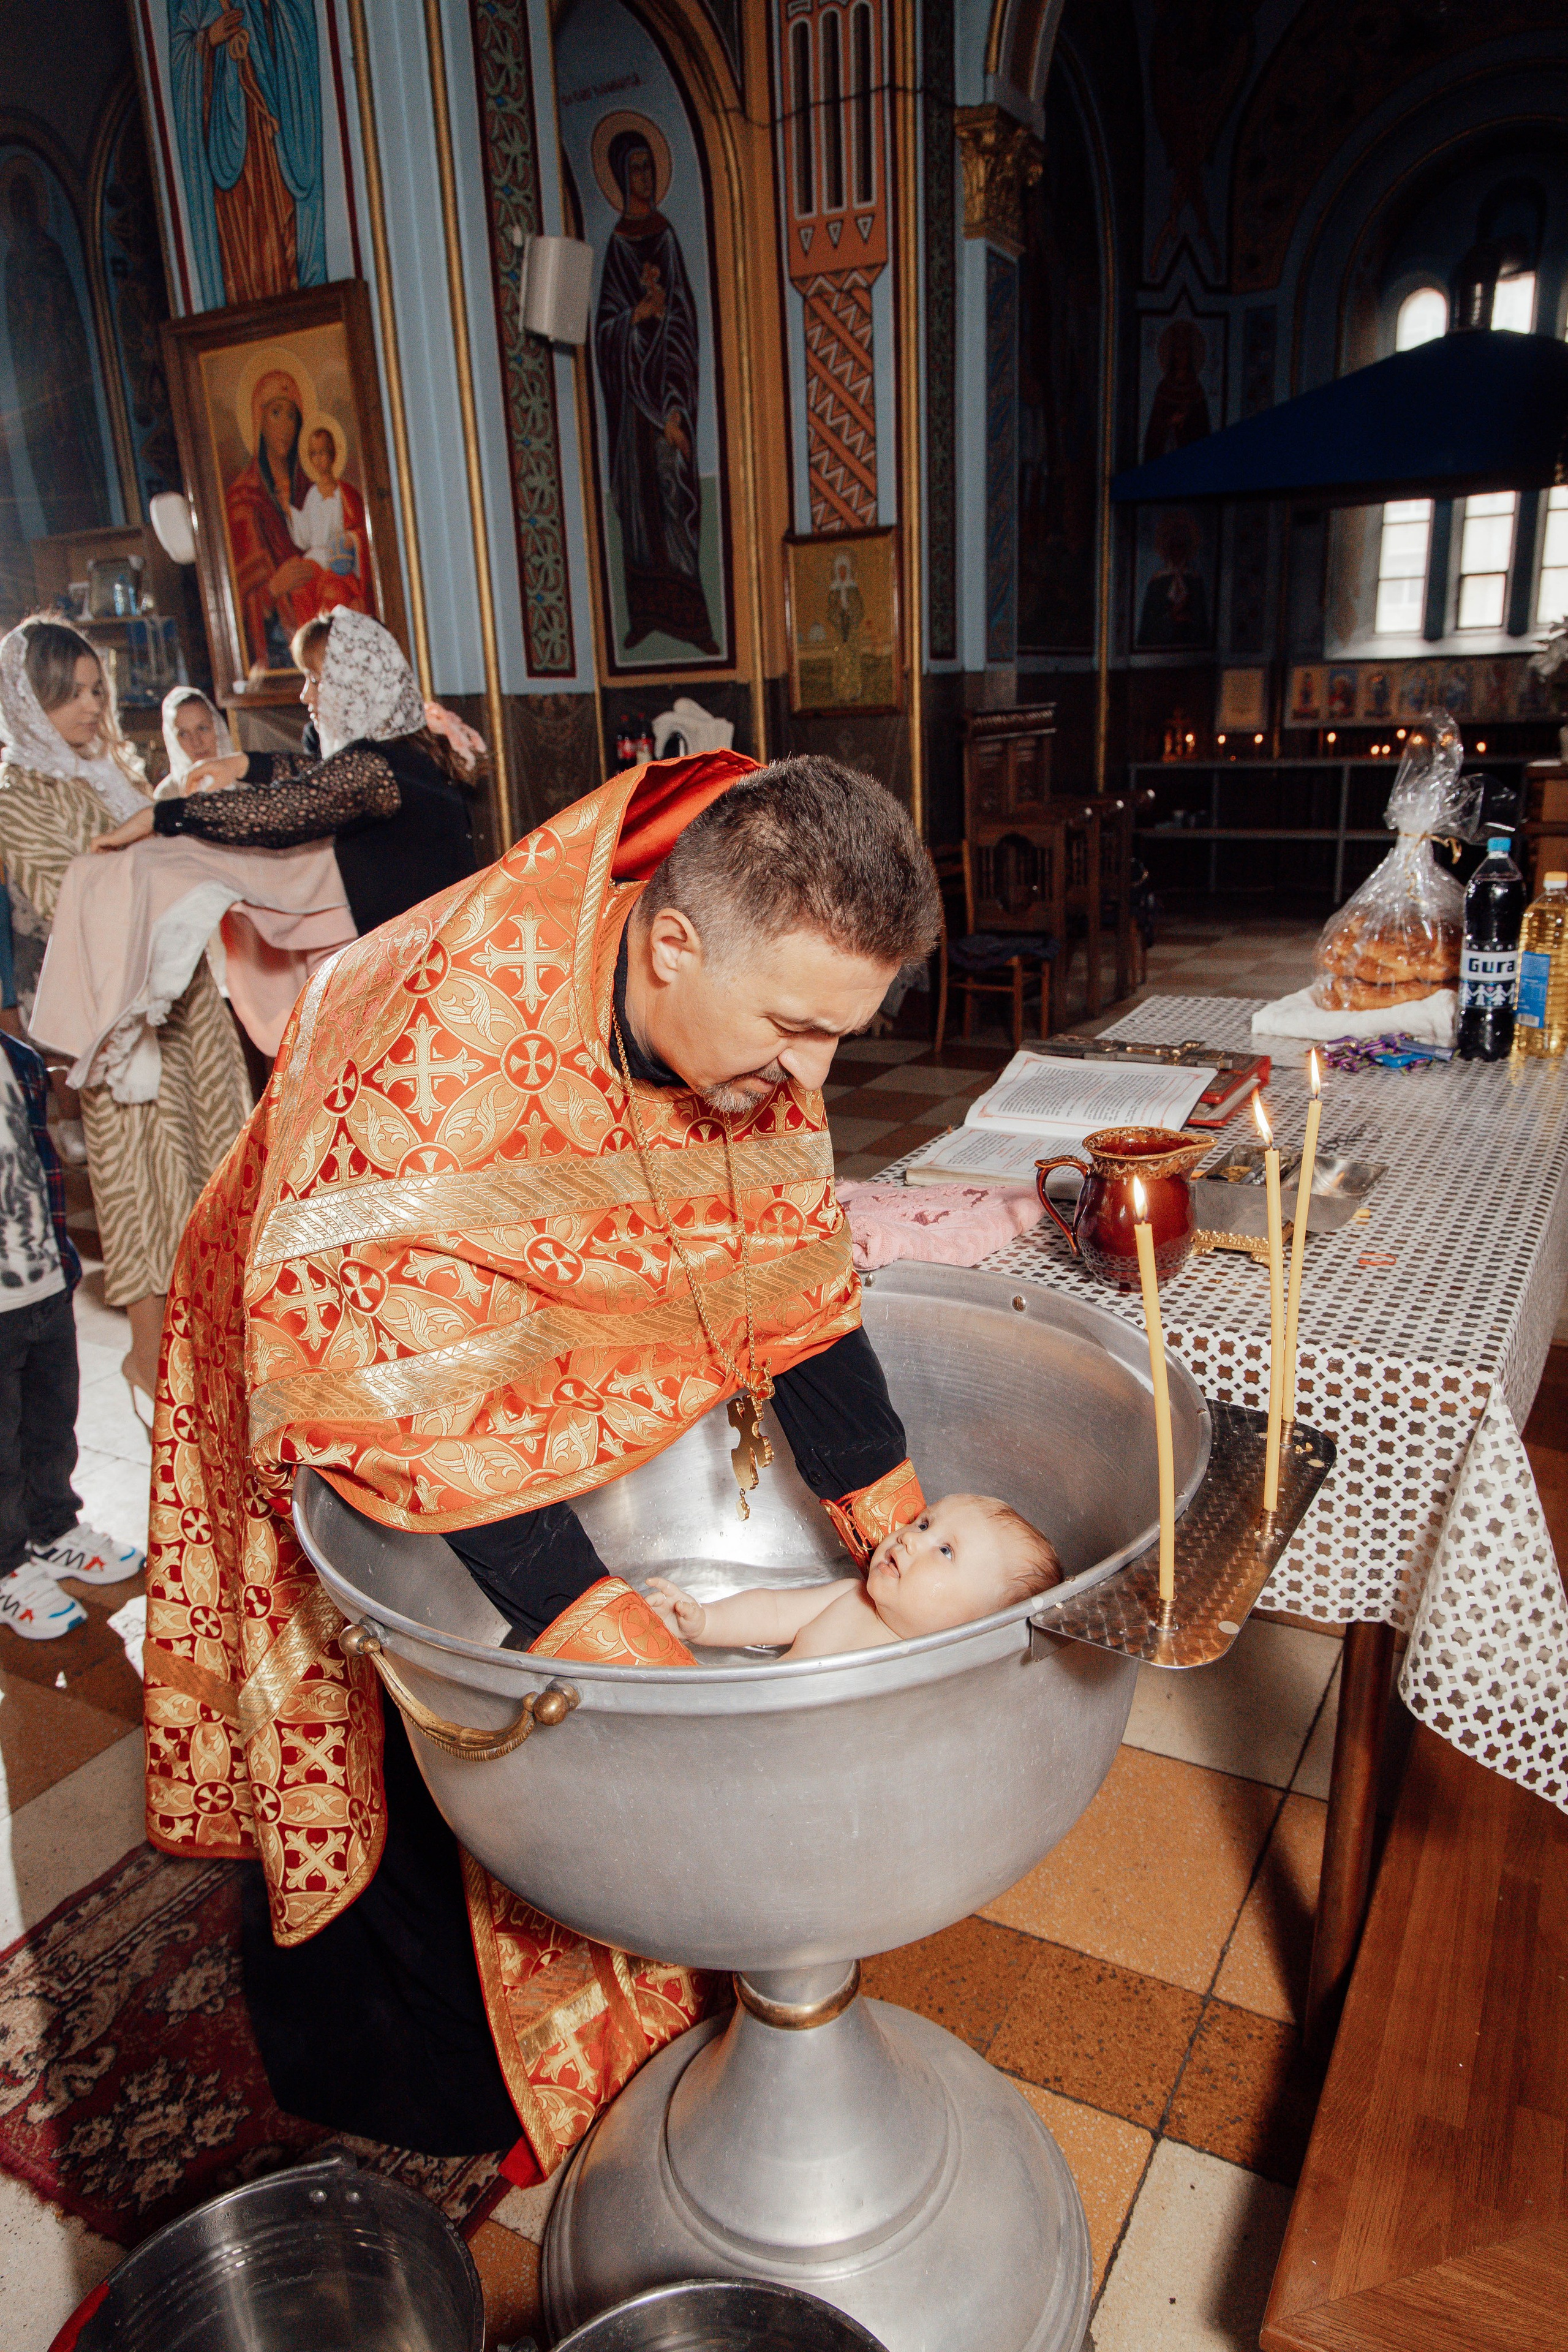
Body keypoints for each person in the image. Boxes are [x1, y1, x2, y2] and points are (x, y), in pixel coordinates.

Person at [143, 745, 941, 2167]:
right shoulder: (434, 1055)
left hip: (467, 1350)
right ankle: (424, 2084)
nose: (810, 1079)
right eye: (792, 1027)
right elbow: (397, 1399)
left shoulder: (740, 1022)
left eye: (840, 1032)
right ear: (673, 943)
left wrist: (893, 1528)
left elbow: (786, 1284)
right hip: (326, 1334)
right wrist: (592, 1631)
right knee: (412, 1699)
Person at [0, 620, 251, 1411]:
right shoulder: (18, 795)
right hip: (119, 1024)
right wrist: (153, 851)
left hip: (184, 1005)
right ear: (27, 702)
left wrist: (167, 836)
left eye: (95, 689)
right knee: (141, 1192)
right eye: (67, 693)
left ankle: (218, 1353)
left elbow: (149, 859)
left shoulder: (115, 769)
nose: (88, 706)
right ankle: (152, 1364)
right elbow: (62, 896)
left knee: (213, 1176)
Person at [93, 609, 477, 940]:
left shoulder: (374, 765)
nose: (305, 696)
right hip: (436, 941)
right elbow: (315, 776)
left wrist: (160, 816)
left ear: (355, 685)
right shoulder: (406, 748)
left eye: (316, 679)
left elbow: (279, 810)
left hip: (427, 957)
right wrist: (242, 764)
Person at [0, 891, 143, 1641]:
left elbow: (38, 1165)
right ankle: (5, 1565)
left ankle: (55, 1525)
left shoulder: (19, 1063)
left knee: (52, 1419)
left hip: (43, 1280)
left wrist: (59, 1262)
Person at [647, 1494, 1061, 1660]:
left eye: (946, 1550)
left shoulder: (929, 1673)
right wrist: (703, 1622)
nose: (910, 1540)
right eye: (922, 1524)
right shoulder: (853, 1597)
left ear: (981, 1625)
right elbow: (771, 1610)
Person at [156, 685, 235, 797]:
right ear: (173, 741)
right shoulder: (167, 795)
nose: (197, 742)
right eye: (184, 734)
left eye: (203, 728)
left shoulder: (247, 781)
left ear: (218, 728)